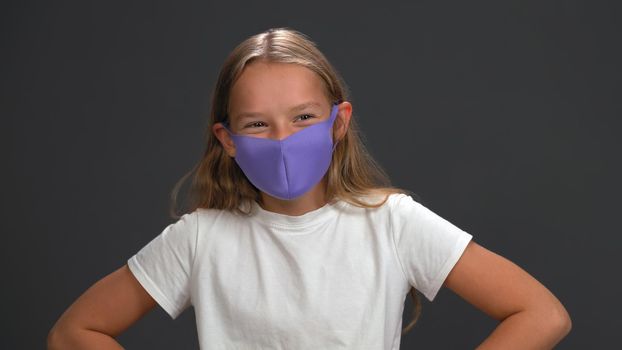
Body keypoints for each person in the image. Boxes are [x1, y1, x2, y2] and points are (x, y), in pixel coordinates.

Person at [48, 27, 571, 349]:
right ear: (226, 140)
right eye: (257, 124)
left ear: (338, 123)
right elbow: (74, 333)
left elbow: (542, 315)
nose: (282, 140)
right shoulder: (200, 238)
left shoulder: (391, 223)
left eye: (303, 117)